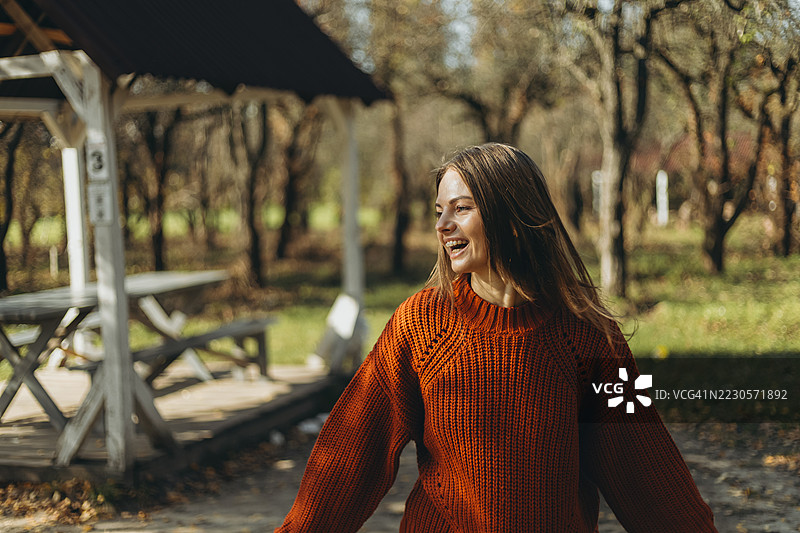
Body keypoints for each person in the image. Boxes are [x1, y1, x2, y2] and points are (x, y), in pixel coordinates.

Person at [275, 143, 716, 532]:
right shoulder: (420, 326)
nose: (442, 225)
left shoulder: (587, 336)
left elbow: (646, 471)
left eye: (461, 208)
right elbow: (351, 458)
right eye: (438, 211)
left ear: (513, 218)